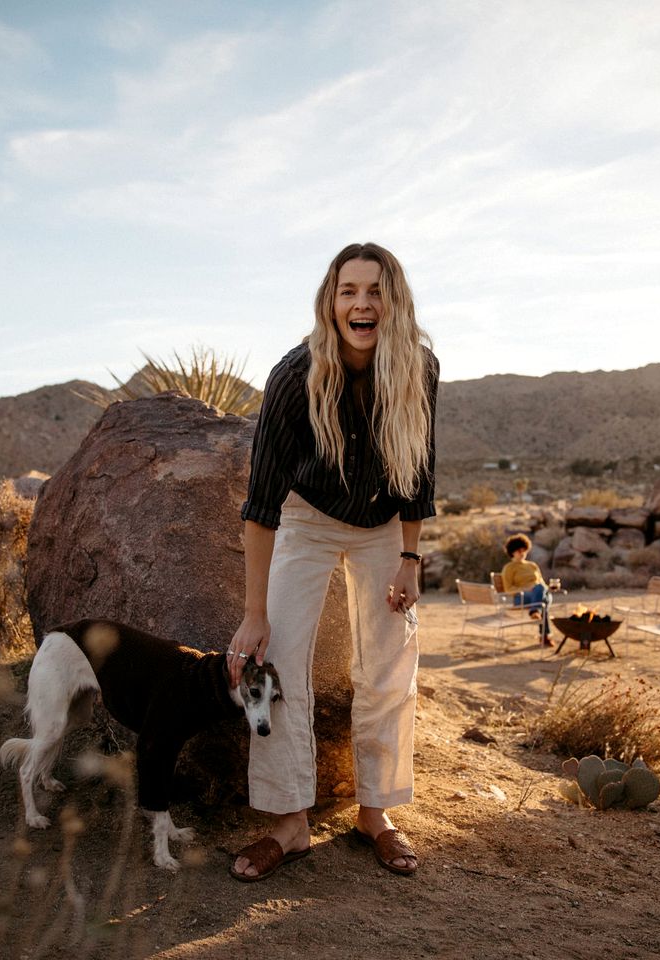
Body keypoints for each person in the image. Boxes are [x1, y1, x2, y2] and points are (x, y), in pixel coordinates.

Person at [227, 242, 438, 882]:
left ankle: (375, 813)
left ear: (392, 302)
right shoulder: (295, 376)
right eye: (349, 290)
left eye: (375, 291)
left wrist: (409, 557)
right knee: (277, 658)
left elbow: (420, 473)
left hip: (381, 528)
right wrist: (253, 613)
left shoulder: (420, 368)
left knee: (389, 662)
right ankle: (289, 824)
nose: (361, 303)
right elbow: (261, 504)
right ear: (331, 300)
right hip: (308, 521)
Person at [500, 533, 552, 644]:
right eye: (519, 551)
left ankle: (536, 612)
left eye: (524, 550)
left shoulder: (532, 565)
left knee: (544, 595)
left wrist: (549, 588)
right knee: (544, 600)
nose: (522, 553)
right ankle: (544, 633)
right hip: (521, 597)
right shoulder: (509, 568)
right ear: (512, 552)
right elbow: (508, 589)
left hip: (537, 595)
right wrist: (525, 589)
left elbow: (542, 584)